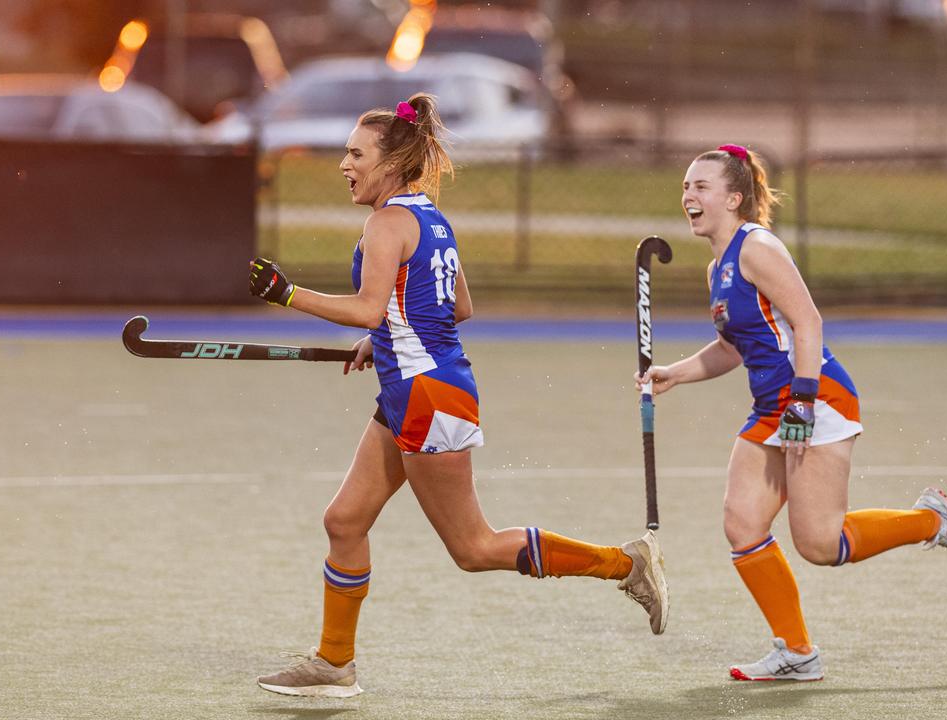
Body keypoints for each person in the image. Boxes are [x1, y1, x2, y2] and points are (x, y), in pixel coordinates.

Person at [246, 93, 670, 698]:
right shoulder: (431, 218)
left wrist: (290, 295)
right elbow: (455, 306)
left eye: (354, 153)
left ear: (391, 163)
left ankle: (625, 563)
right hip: (414, 389)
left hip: (427, 396)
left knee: (473, 547)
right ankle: (334, 662)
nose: (344, 163)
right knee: (344, 520)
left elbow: (373, 306)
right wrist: (385, 336)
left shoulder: (387, 222)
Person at [637, 144, 947, 682]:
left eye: (700, 187)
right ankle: (796, 653)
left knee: (821, 545)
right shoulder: (718, 270)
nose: (688, 196)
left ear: (734, 198)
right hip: (769, 406)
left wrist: (800, 402)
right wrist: (674, 373)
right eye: (685, 186)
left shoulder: (758, 248)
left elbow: (808, 322)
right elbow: (734, 347)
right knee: (742, 523)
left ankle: (934, 520)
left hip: (815, 397)